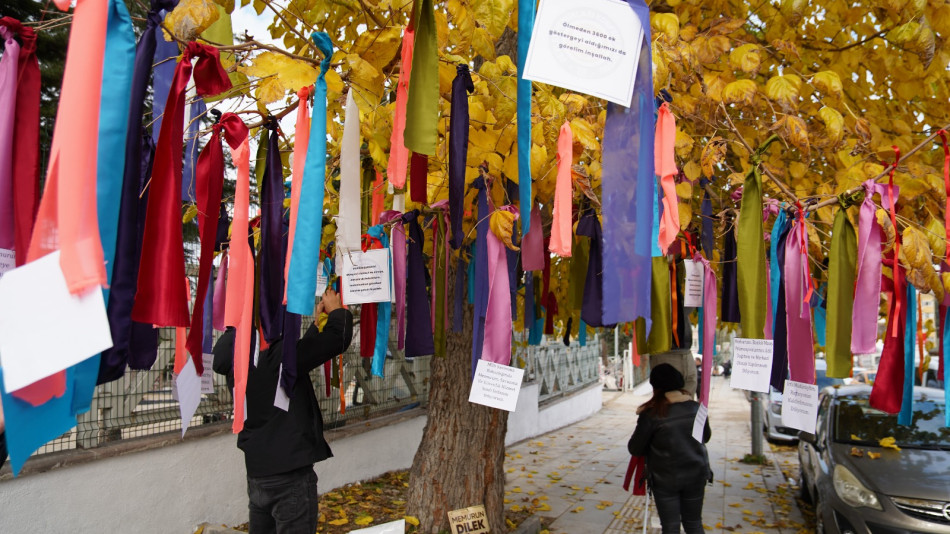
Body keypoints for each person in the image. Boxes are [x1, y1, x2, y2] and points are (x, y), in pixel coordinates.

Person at [213, 287, 353, 534]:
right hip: (290, 477)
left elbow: (296, 355)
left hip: (258, 474)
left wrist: (315, 327)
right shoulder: (281, 356)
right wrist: (337, 311)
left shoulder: (239, 358)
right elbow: (336, 339)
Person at [628, 364, 712, 534]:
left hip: (665, 479)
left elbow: (635, 448)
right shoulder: (696, 408)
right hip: (696, 474)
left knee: (671, 526)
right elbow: (706, 437)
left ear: (655, 387)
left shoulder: (651, 414)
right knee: (694, 523)